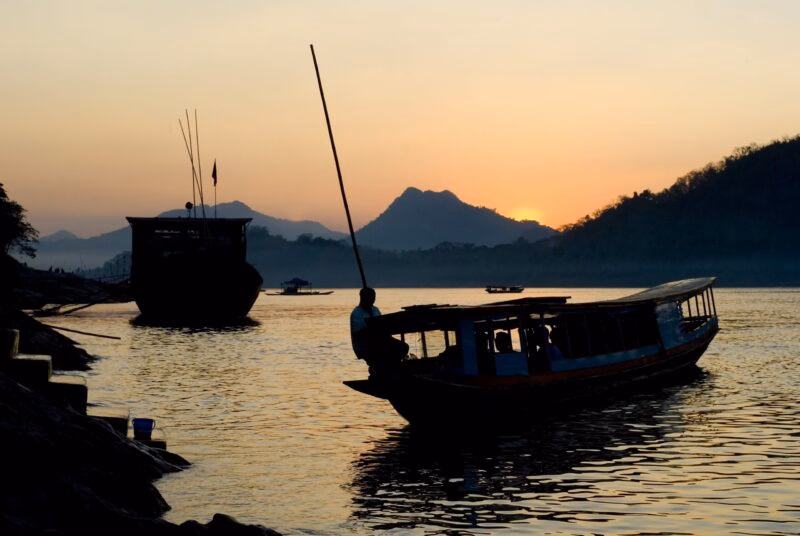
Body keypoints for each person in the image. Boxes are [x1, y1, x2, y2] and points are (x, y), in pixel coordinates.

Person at [350, 287, 408, 366]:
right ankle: (382, 368)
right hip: (365, 345)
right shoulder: (356, 313)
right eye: (370, 297)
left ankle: (391, 367)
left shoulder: (375, 310)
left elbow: (382, 324)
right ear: (362, 297)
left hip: (380, 340)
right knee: (384, 351)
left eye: (374, 297)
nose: (372, 300)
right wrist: (374, 329)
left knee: (403, 347)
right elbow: (360, 334)